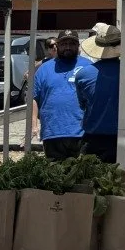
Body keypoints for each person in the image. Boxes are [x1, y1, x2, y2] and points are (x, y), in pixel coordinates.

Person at [74, 26, 125, 168]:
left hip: (93, 141)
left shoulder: (83, 75)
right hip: (123, 139)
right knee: (122, 185)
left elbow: (83, 105)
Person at [31, 30, 91, 160]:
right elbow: (34, 99)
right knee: (55, 176)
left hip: (82, 132)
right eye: (64, 44)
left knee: (82, 176)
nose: (68, 47)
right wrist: (34, 125)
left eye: (72, 43)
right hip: (52, 132)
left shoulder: (89, 66)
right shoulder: (44, 69)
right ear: (57, 46)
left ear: (78, 45)